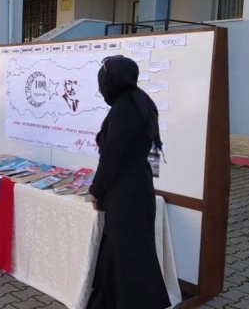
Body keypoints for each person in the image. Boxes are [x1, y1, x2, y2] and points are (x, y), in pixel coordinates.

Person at [86, 55, 170, 309]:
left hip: (125, 192)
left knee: (128, 256)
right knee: (123, 252)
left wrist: (96, 190)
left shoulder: (124, 110)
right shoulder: (139, 100)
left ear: (111, 82)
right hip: (137, 186)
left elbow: (112, 157)